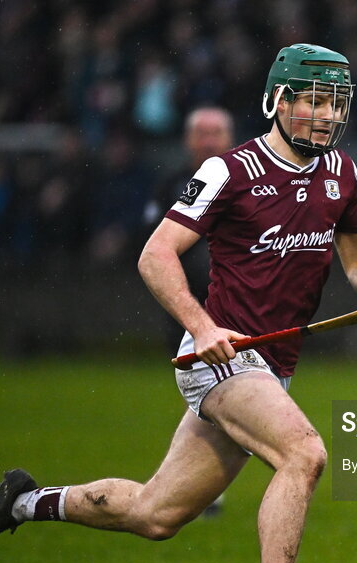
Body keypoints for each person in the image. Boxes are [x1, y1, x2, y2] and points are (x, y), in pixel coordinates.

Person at [0, 44, 357, 563]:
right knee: (305, 453)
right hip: (219, 358)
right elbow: (155, 255)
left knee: (155, 514)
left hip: (271, 369)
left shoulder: (341, 174)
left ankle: (24, 502)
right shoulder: (230, 170)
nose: (326, 116)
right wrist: (202, 323)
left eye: (336, 103)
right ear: (279, 101)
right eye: (313, 100)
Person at [144, 106, 235, 517]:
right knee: (201, 386)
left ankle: (199, 487)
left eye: (217, 132)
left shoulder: (243, 180)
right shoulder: (169, 183)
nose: (210, 140)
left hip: (232, 300)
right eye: (202, 133)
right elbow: (152, 242)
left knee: (220, 385)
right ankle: (193, 485)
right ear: (187, 139)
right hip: (184, 301)